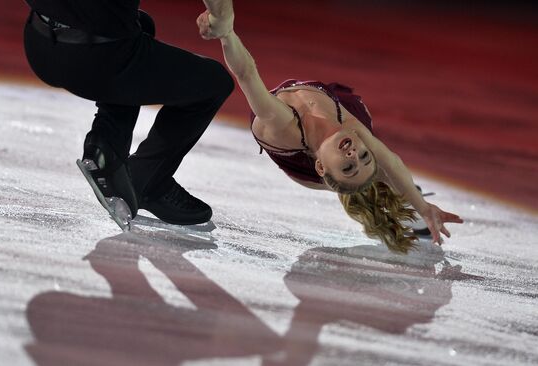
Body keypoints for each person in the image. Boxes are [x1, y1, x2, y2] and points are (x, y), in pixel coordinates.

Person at [196, 4, 463, 252]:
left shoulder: (282, 124)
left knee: (364, 181)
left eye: (348, 166)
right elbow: (391, 162)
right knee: (380, 173)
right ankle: (394, 197)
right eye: (362, 156)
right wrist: (423, 207)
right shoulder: (353, 129)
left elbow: (247, 73)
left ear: (321, 167)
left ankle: (382, 204)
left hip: (300, 156)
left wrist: (226, 33)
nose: (353, 155)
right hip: (335, 120)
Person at [22, 0, 235, 229]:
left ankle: (107, 139)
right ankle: (147, 181)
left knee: (140, 24)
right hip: (96, 61)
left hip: (38, 41)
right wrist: (221, 16)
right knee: (215, 84)